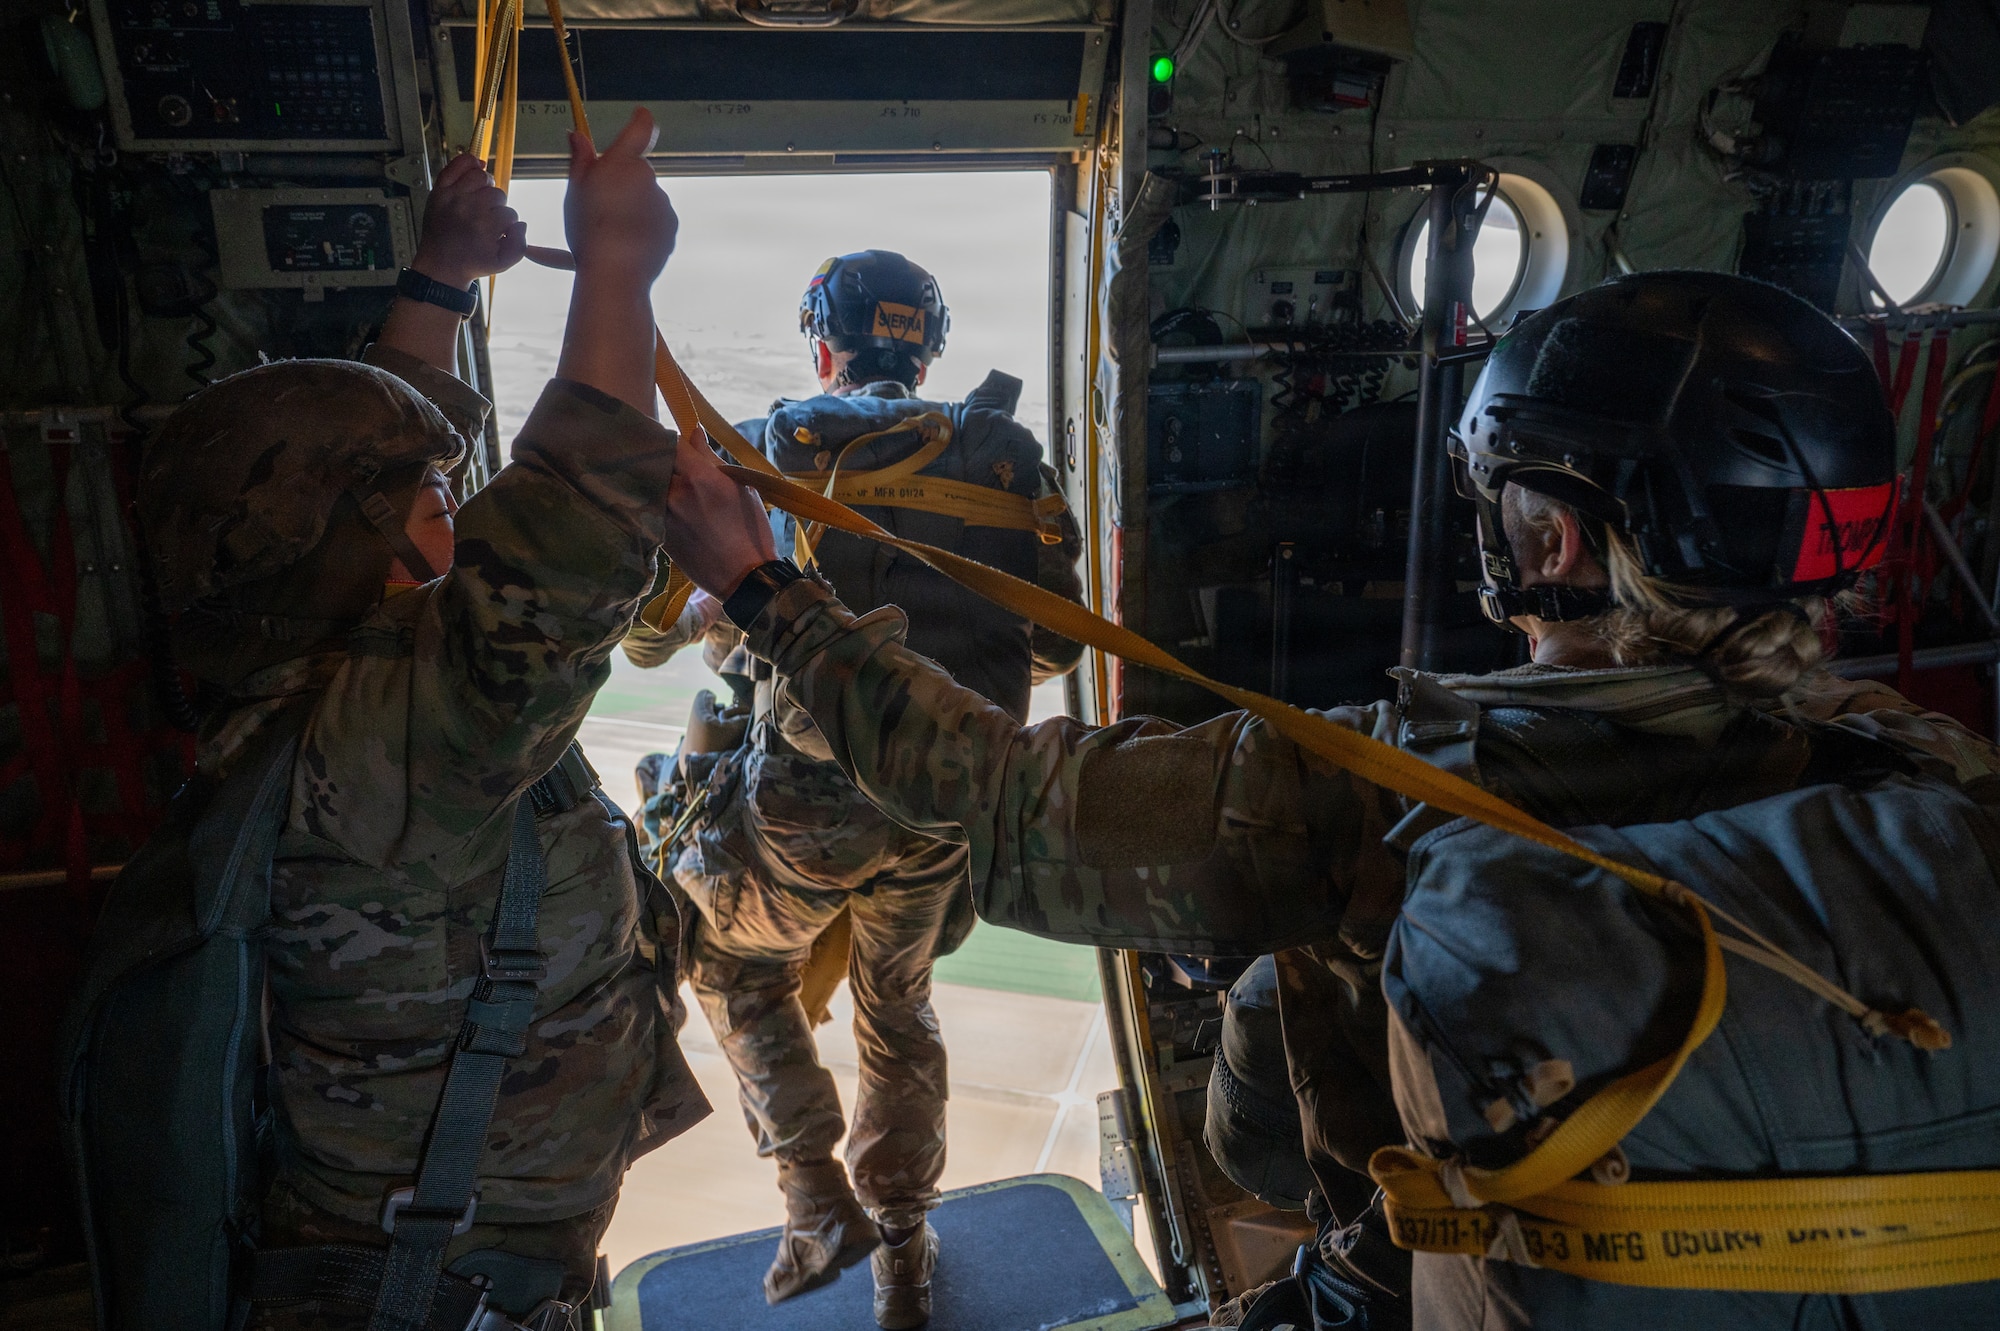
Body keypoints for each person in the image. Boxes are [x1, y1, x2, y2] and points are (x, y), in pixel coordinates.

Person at [652, 270, 2000, 1329]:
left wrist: (768, 592)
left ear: (1559, 540)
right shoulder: (1926, 765)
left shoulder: (1360, 788)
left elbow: (996, 796)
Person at [121, 111, 705, 1328]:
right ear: (361, 548)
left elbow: (347, 465)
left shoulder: (291, 677)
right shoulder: (402, 739)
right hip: (436, 1297)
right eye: (442, 499)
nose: (462, 511)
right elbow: (565, 533)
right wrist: (614, 265)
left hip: (438, 1265)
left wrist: (439, 278)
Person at [623, 249, 1085, 1328]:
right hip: (944, 805)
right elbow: (1055, 646)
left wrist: (707, 614)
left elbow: (649, 640)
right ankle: (904, 1251)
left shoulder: (766, 444)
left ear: (819, 339)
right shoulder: (1007, 453)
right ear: (925, 345)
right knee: (899, 1007)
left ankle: (810, 1192)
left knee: (727, 956)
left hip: (802, 811)